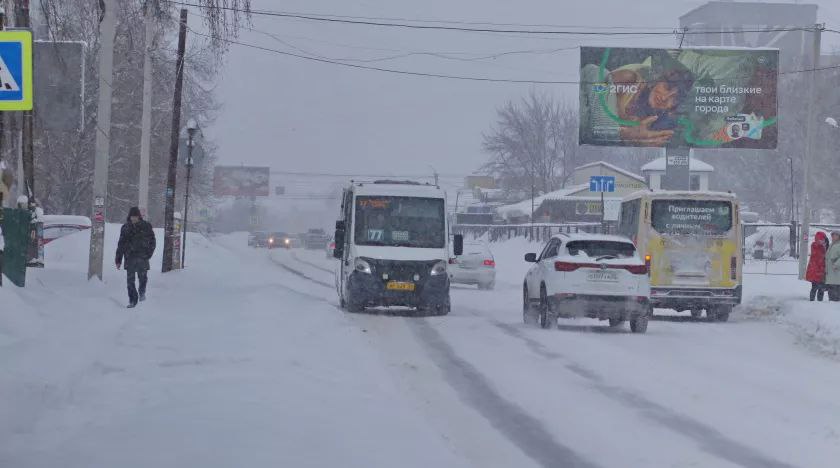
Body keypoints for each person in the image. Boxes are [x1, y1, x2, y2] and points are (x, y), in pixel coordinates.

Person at [116, 207, 156, 308]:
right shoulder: (125, 228)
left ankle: (142, 292)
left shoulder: (146, 226)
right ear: (129, 216)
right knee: (130, 281)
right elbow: (121, 244)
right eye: (132, 216)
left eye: (135, 216)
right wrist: (118, 259)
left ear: (139, 216)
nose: (134, 218)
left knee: (143, 278)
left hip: (142, 257)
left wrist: (149, 254)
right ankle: (132, 300)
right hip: (130, 257)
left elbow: (153, 241)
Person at [805, 231, 829, 301]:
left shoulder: (825, 246)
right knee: (814, 287)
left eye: (823, 239)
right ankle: (812, 301)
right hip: (815, 271)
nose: (822, 241)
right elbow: (818, 256)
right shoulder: (815, 246)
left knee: (821, 289)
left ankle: (819, 302)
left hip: (821, 271)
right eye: (820, 239)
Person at [826, 231, 840, 302]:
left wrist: (836, 264)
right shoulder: (831, 245)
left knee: (836, 294)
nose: (833, 237)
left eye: (835, 235)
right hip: (830, 273)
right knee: (831, 293)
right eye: (832, 235)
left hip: (837, 273)